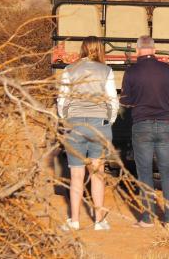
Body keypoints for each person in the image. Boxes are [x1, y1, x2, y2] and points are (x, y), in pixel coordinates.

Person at [120, 35, 169, 227]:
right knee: (167, 171)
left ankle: (147, 218)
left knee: (144, 173)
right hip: (165, 124)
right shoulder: (167, 70)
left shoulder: (131, 72)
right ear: (154, 50)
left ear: (137, 50)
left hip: (141, 125)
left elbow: (125, 100)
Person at [57, 36, 119, 231]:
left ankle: (74, 220)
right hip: (98, 124)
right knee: (97, 173)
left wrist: (66, 118)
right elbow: (112, 100)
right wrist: (109, 119)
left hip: (74, 124)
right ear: (100, 49)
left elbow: (62, 100)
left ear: (83, 49)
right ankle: (99, 220)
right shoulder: (106, 70)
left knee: (76, 175)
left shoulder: (69, 70)